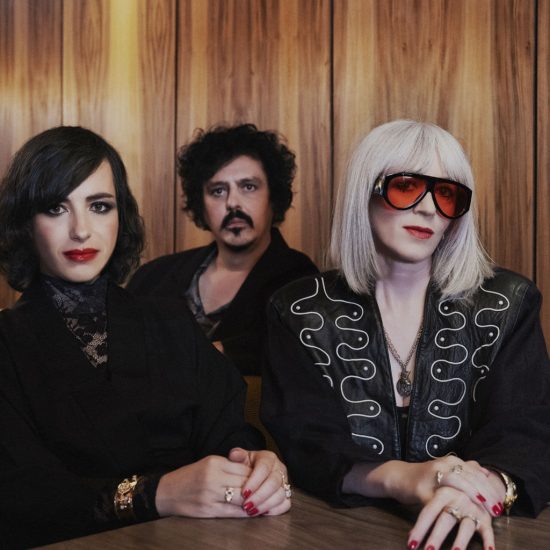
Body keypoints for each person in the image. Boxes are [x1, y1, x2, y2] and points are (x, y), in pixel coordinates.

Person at [262, 120, 550, 550]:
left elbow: (525, 432)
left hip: (482, 533)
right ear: (365, 192)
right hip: (331, 536)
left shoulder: (508, 302)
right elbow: (309, 444)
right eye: (406, 186)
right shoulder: (299, 310)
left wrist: (475, 489)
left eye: (447, 194)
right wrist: (407, 479)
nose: (429, 209)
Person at [0, 126, 291, 548]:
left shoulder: (170, 319)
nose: (81, 230)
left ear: (121, 216)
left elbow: (230, 432)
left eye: (99, 206)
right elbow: (20, 496)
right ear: (26, 223)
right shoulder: (7, 342)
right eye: (56, 208)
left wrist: (255, 465)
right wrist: (157, 492)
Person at [127, 124, 317, 376]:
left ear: (273, 197)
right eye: (218, 191)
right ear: (201, 205)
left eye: (248, 187)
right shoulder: (153, 276)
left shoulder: (302, 280)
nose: (233, 203)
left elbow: (297, 352)